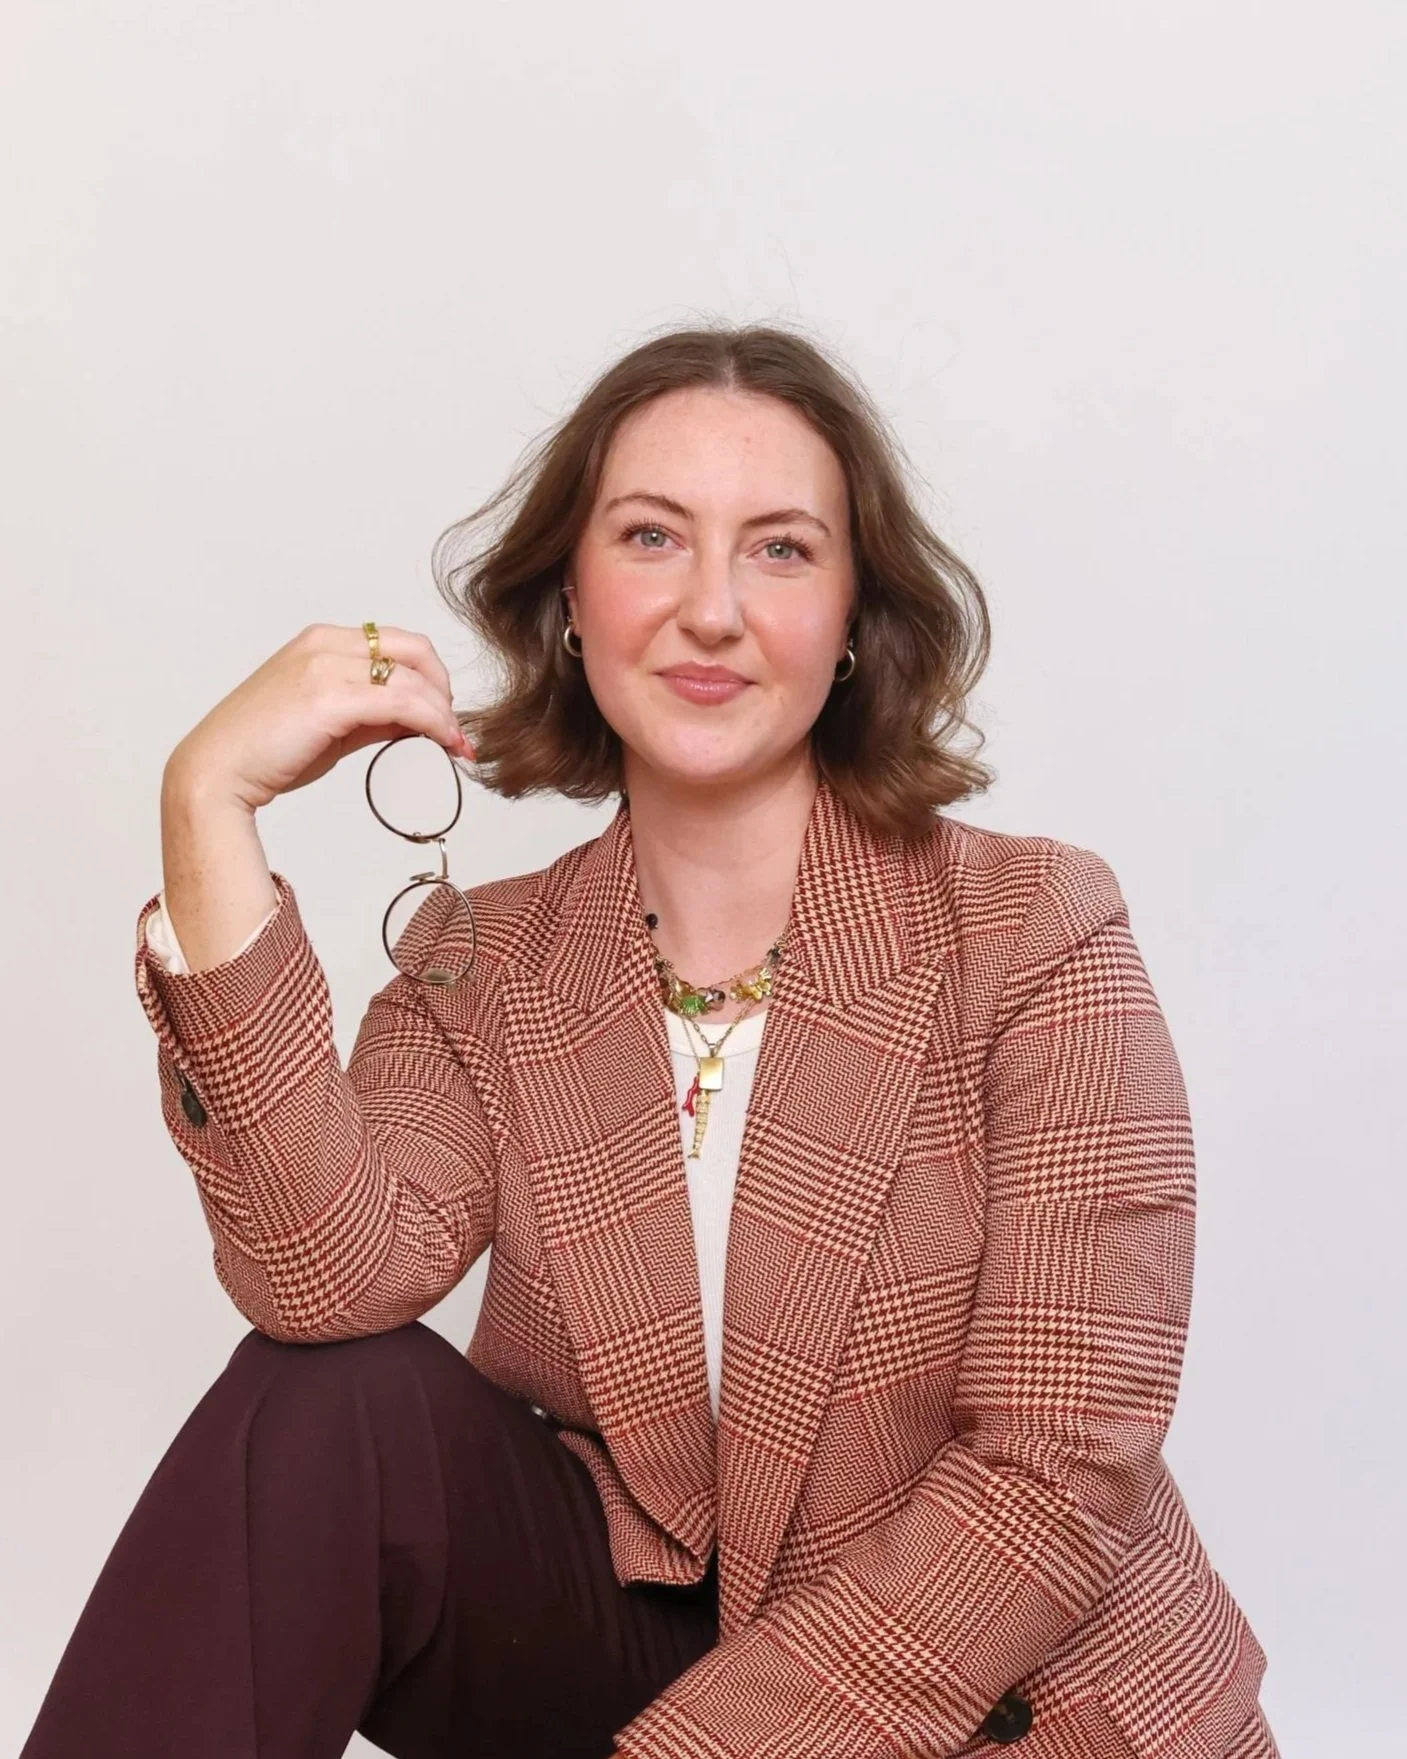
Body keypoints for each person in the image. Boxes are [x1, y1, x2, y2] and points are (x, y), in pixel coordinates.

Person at [20, 322, 1279, 1759]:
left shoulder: (1030, 928)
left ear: (855, 619)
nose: (711, 610)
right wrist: (206, 803)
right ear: (571, 597)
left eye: (781, 550)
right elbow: (323, 1277)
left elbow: (1056, 1466)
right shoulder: (487, 962)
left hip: (988, 1704)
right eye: (651, 537)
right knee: (326, 1402)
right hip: (652, 1640)